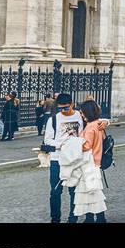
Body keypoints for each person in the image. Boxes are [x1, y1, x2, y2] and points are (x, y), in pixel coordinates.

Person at [42, 93, 84, 223]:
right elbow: (47, 140)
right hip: (57, 159)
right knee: (55, 191)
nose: (63, 111)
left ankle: (73, 218)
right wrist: (62, 145)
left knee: (74, 191)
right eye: (60, 109)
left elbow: (96, 120)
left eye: (66, 108)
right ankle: (55, 219)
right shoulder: (53, 119)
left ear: (72, 104)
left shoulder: (80, 116)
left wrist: (106, 122)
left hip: (75, 159)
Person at [68, 100, 109, 223]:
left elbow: (86, 146)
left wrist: (73, 142)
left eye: (82, 113)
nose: (81, 115)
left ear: (88, 112)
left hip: (89, 163)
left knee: (91, 193)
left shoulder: (91, 127)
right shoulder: (98, 124)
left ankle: (97, 219)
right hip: (95, 162)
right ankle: (94, 218)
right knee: (92, 192)